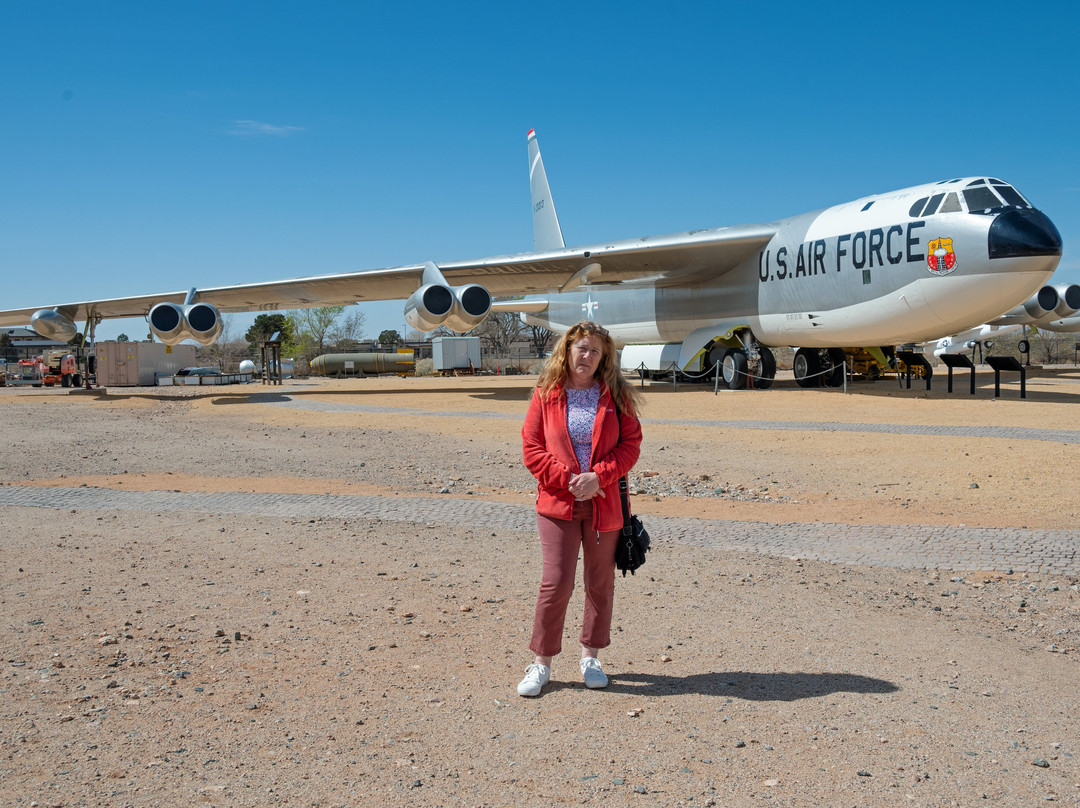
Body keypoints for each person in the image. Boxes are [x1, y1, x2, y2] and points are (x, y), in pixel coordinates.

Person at [518, 321, 643, 697]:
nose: (587, 356)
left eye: (595, 352)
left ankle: (591, 656)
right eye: (582, 348)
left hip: (604, 506)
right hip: (557, 504)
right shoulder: (546, 394)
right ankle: (541, 663)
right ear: (567, 349)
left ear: (604, 358)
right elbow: (531, 448)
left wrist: (598, 478)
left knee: (599, 583)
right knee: (556, 583)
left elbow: (631, 446)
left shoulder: (617, 395)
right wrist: (569, 478)